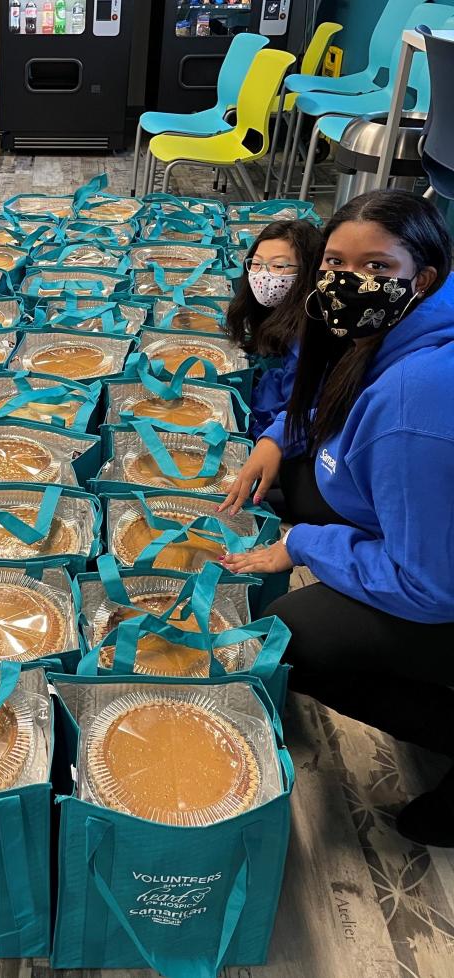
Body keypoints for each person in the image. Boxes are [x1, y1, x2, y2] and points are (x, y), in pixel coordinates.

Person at [219, 190, 454, 847]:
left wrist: (303, 544)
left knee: (294, 635)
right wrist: (272, 438)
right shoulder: (396, 325)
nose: (351, 283)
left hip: (441, 583)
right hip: (433, 526)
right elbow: (321, 397)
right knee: (298, 475)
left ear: (424, 276)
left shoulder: (416, 404)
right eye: (335, 264)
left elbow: (430, 587)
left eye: (378, 268)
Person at [226, 220, 323, 439]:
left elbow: (295, 423)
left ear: (308, 272)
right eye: (256, 264)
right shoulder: (277, 316)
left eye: (278, 266)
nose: (263, 276)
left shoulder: (305, 345)